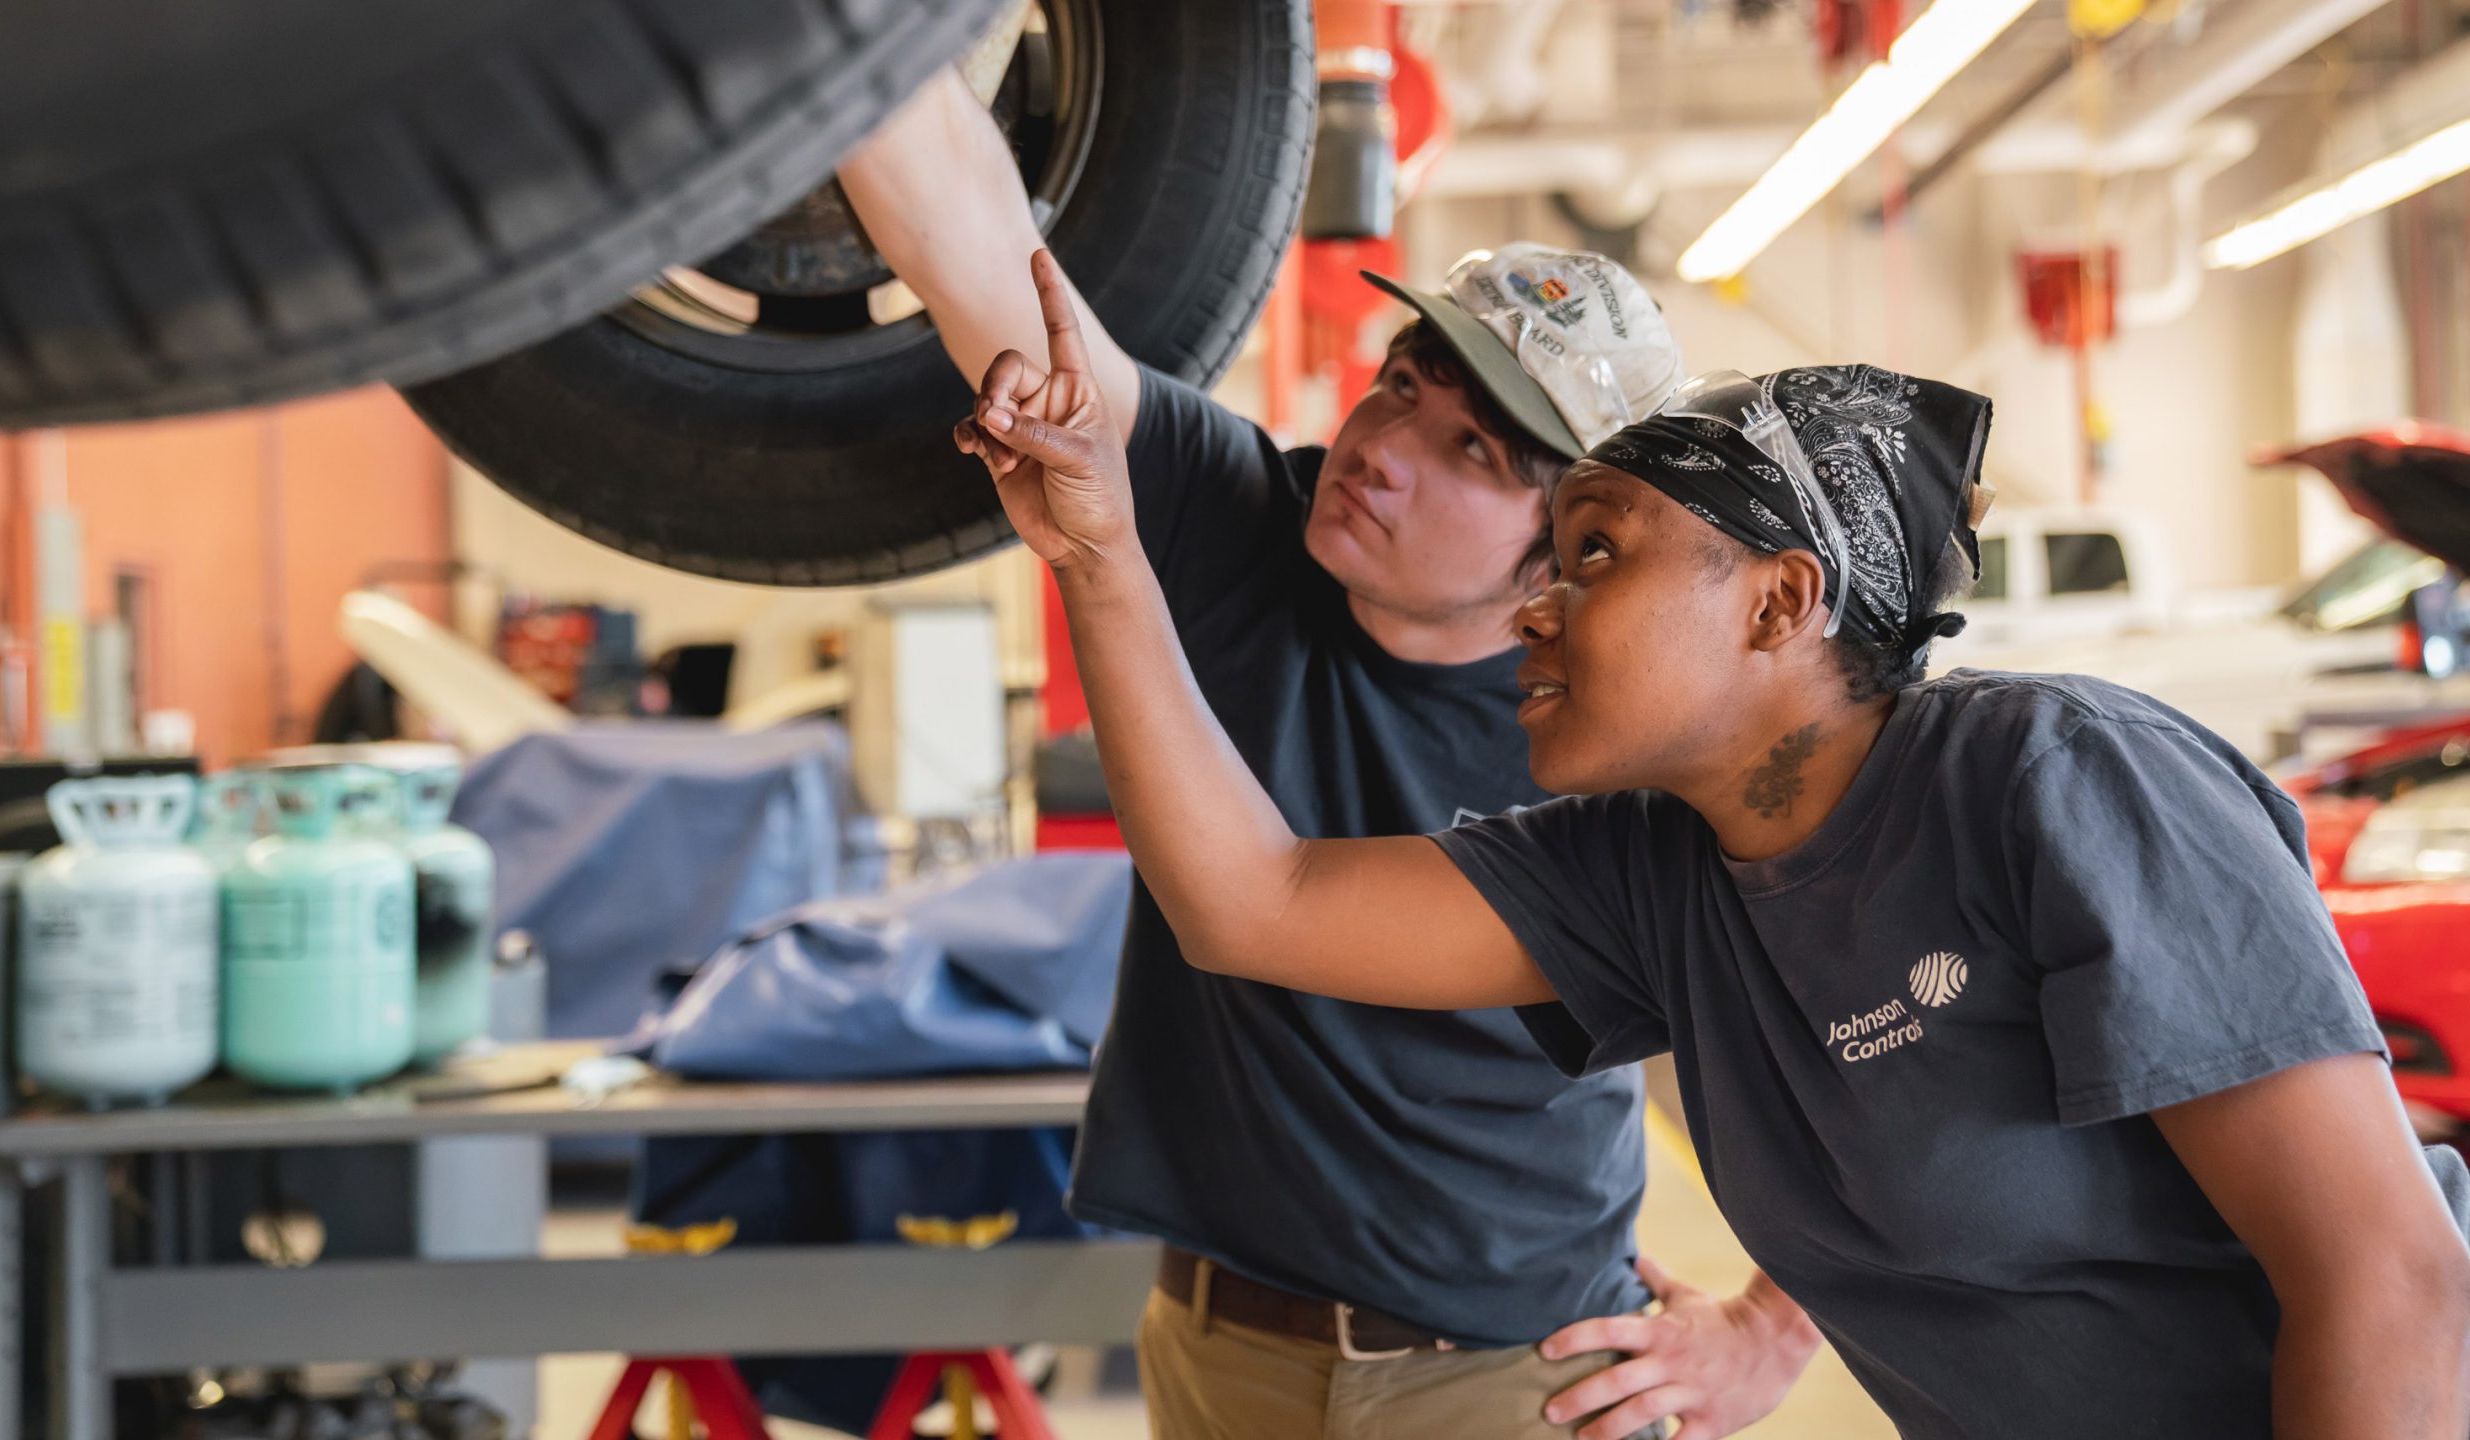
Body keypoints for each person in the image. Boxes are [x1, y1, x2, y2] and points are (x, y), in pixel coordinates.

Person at [961, 250, 2470, 1439]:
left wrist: (1760, 1332)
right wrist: (1100, 554)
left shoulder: (2056, 778)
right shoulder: (1645, 874)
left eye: (1596, 552)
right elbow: (1254, 901)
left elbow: (2392, 1284)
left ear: (1776, 602)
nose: (1536, 605)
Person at [841, 73, 1819, 1440]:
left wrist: (1773, 1330)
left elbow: (1892, 1023)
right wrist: (828, 52)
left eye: (1471, 448)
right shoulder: (1234, 514)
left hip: (1510, 1379)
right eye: (1402, 386)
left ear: (1565, 550)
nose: (1381, 449)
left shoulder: (1624, 737)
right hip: (1216, 1347)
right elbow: (970, 239)